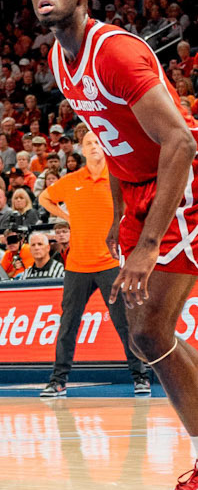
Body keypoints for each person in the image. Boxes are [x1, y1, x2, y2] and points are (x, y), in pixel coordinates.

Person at [33, 0, 198, 490]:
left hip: (179, 181)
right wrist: (119, 214)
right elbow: (110, 140)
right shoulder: (59, 60)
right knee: (147, 331)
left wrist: (148, 243)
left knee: (151, 328)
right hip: (137, 193)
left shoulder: (117, 53)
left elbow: (180, 142)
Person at [40, 124, 152, 396]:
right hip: (77, 266)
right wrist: (68, 218)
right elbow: (44, 197)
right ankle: (58, 380)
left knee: (124, 322)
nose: (92, 145)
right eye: (87, 142)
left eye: (96, 141)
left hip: (110, 264)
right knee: (68, 324)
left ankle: (140, 377)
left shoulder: (118, 178)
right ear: (81, 149)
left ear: (104, 146)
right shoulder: (70, 181)